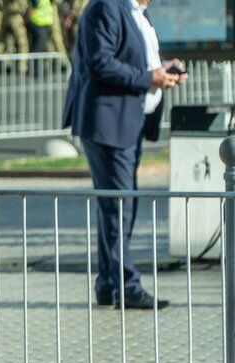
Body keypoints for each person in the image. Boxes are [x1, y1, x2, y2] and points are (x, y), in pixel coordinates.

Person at [63, 0, 185, 309]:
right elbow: (100, 62)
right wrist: (150, 79)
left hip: (127, 121)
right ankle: (127, 286)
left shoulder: (137, 13)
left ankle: (109, 282)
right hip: (108, 122)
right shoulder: (106, 7)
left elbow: (136, 59)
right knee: (120, 206)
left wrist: (163, 69)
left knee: (115, 205)